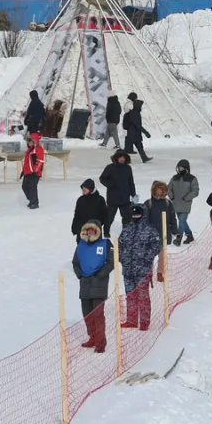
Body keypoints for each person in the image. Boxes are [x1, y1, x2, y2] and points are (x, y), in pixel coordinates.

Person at [117, 204, 160, 331]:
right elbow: (119, 245)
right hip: (128, 270)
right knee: (130, 295)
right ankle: (131, 320)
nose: (136, 216)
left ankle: (145, 322)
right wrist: (122, 258)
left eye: (138, 214)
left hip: (142, 270)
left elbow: (156, 246)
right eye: (134, 214)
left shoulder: (150, 229)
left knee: (143, 296)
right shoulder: (126, 229)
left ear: (143, 214)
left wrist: (146, 258)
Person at [72, 222, 113, 352]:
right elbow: (75, 262)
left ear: (98, 231)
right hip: (85, 285)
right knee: (87, 314)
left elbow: (111, 262)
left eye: (93, 230)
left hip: (99, 284)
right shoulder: (81, 245)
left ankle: (101, 342)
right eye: (88, 230)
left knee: (98, 315)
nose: (90, 232)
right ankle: (92, 338)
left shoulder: (106, 244)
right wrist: (80, 275)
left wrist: (100, 274)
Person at [99, 151, 135, 235]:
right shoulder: (110, 168)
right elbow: (102, 178)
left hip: (125, 197)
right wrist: (109, 184)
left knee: (127, 217)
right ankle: (106, 232)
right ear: (116, 158)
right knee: (110, 217)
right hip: (113, 198)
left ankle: (126, 233)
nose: (122, 159)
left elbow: (131, 182)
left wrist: (133, 193)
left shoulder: (128, 168)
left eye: (124, 157)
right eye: (120, 157)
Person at [168, 161, 199, 245]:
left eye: (181, 168)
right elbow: (169, 188)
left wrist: (186, 197)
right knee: (183, 221)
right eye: (179, 168)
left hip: (186, 204)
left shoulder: (192, 179)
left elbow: (195, 191)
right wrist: (171, 197)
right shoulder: (174, 178)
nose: (180, 169)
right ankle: (189, 235)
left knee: (181, 220)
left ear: (186, 168)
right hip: (176, 203)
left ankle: (179, 238)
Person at [122, 94, 152, 162]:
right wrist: (145, 132)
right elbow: (137, 124)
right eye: (141, 105)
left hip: (133, 132)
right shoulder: (135, 113)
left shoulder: (134, 112)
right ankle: (119, 157)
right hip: (134, 133)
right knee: (128, 149)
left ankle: (144, 158)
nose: (141, 107)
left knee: (139, 146)